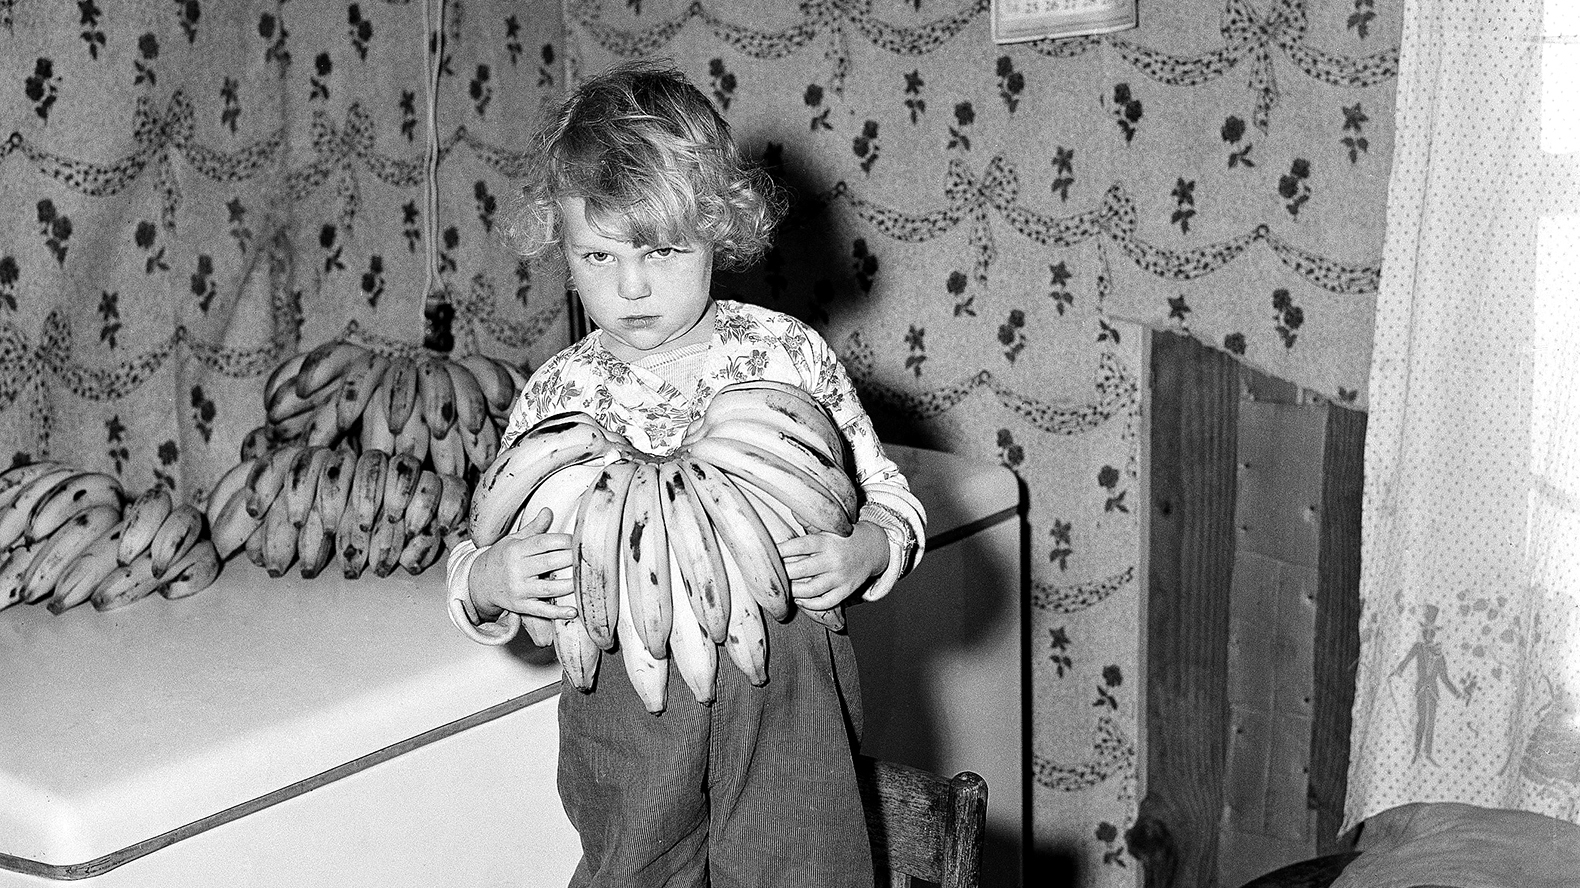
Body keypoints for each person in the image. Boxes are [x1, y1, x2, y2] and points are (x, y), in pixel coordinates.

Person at [444, 59, 926, 888]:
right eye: (596, 257)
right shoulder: (561, 393)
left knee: (804, 864)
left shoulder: (786, 357)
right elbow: (475, 545)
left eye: (663, 250)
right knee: (632, 866)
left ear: (719, 227)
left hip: (786, 672)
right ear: (561, 244)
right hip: (626, 683)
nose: (630, 287)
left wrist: (870, 552)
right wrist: (490, 579)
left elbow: (888, 495)